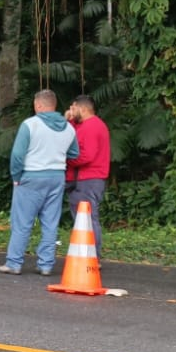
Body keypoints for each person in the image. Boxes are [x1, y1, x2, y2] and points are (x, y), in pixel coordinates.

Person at [0, 88, 78, 276]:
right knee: (50, 222)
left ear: (39, 104)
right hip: (57, 177)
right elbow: (74, 153)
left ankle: (14, 263)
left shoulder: (30, 125)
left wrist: (16, 177)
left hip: (32, 176)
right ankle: (46, 265)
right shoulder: (68, 127)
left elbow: (17, 155)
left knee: (22, 222)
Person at [65, 94, 110, 251]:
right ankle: (86, 253)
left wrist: (66, 159)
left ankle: (92, 255)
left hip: (89, 179)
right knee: (82, 219)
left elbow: (87, 156)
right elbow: (71, 133)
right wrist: (68, 119)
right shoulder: (84, 124)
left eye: (73, 107)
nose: (71, 110)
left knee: (88, 218)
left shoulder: (92, 126)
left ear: (83, 109)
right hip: (82, 178)